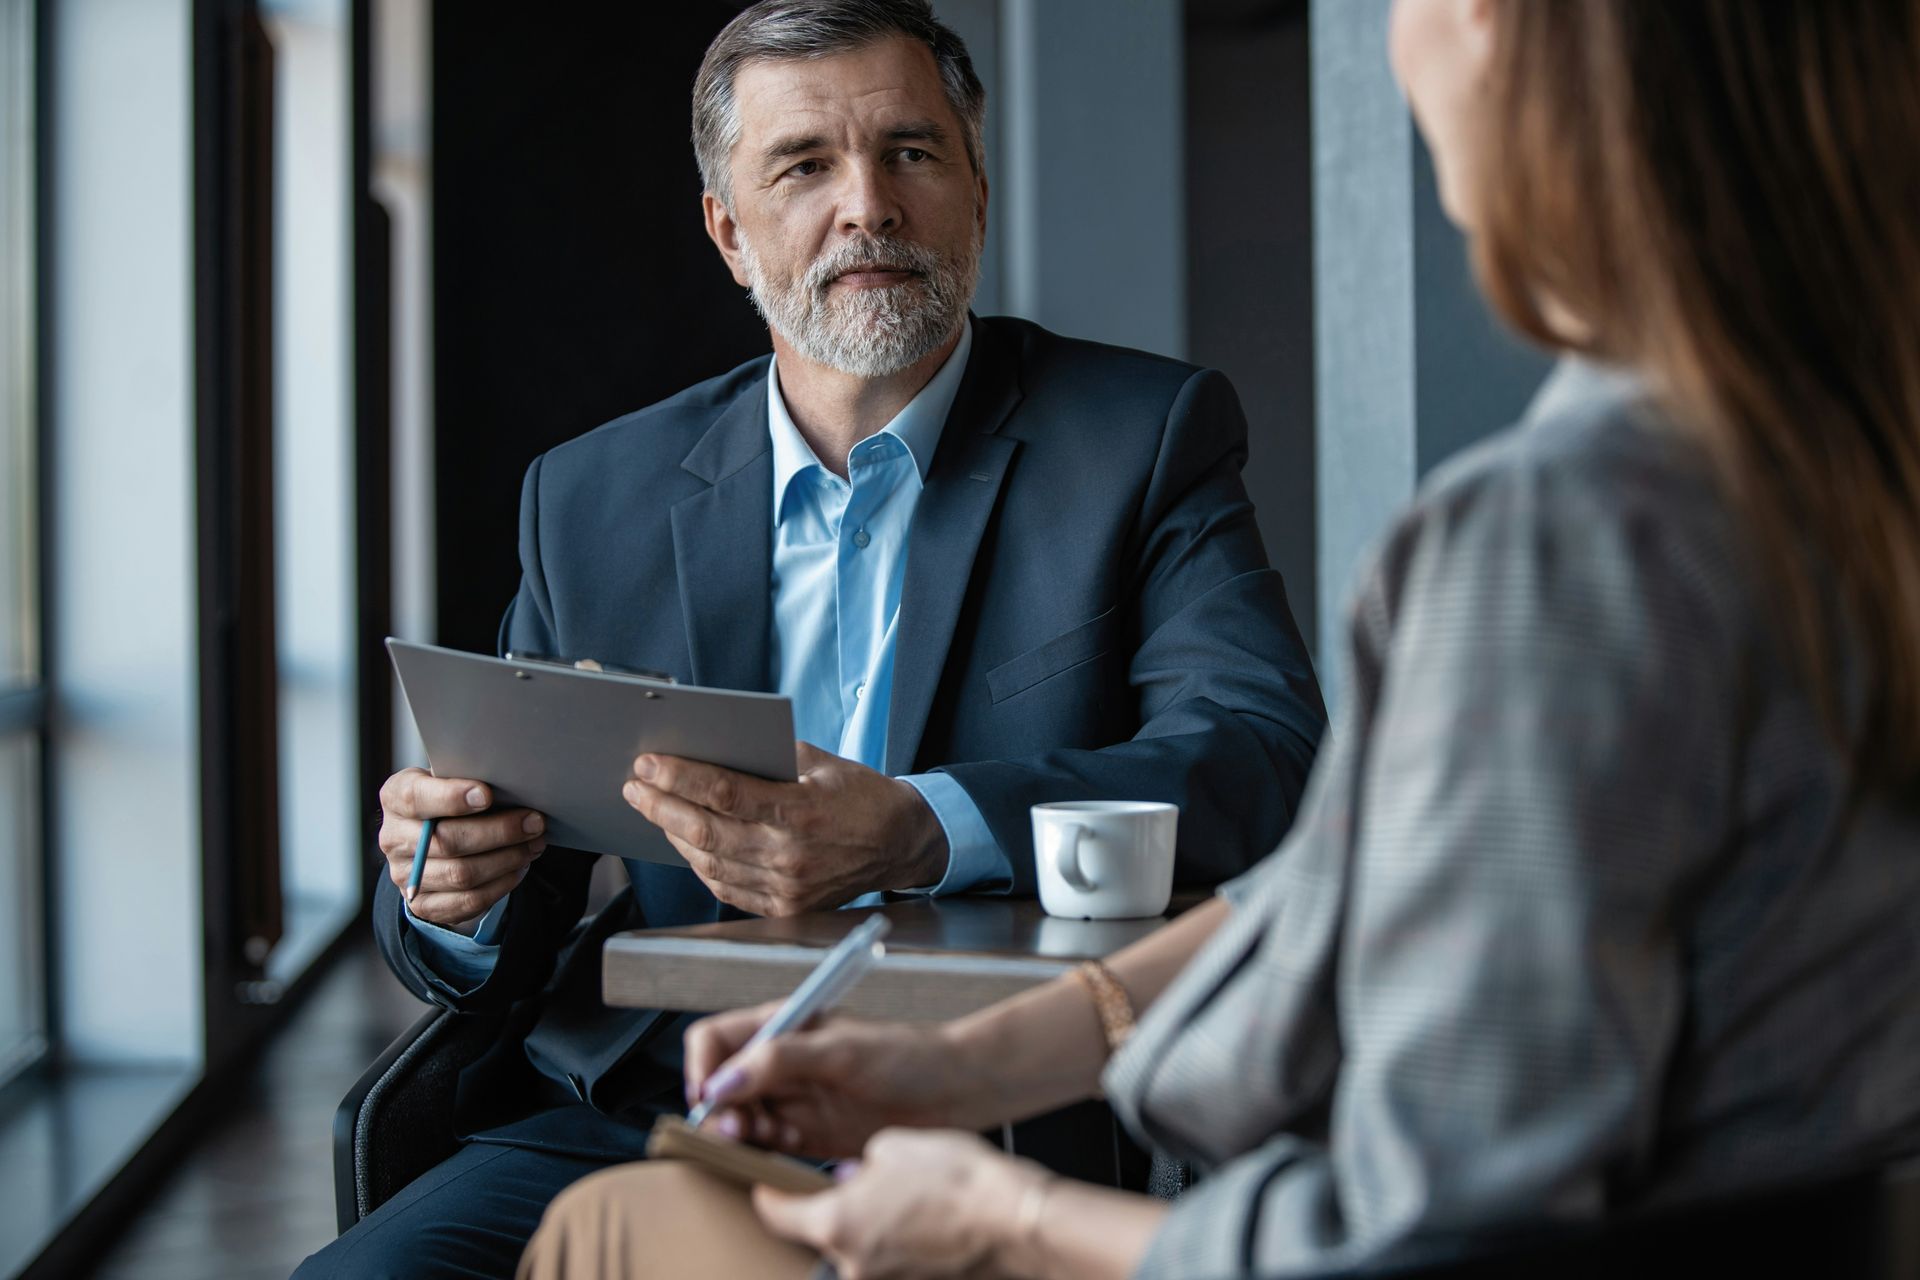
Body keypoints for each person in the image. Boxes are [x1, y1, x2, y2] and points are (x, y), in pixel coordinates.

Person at [515, 0, 1920, 1275]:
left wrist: (1002, 1219)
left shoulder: (1553, 542)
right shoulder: (1827, 474)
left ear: (1501, 30)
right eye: (805, 166)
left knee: (622, 1231)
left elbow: (1431, 1230)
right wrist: (959, 1073)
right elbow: (1336, 881)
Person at [297, 1, 1326, 1275]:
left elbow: (1263, 754)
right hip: (664, 1105)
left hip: (1005, 1114)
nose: (869, 206)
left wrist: (921, 822)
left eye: (911, 152)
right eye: (804, 166)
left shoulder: (1144, 437)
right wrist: (449, 885)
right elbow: (491, 909)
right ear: (730, 232)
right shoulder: (593, 498)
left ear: (976, 192)